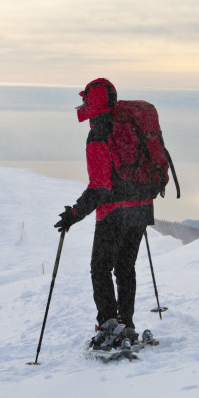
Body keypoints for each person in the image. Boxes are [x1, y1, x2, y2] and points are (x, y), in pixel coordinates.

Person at [54, 78, 153, 342]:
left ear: (93, 103)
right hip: (142, 206)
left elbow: (100, 187)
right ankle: (127, 325)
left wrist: (74, 214)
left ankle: (109, 325)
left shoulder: (99, 132)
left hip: (114, 212)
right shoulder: (130, 125)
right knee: (125, 267)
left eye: (85, 101)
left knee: (100, 267)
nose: (82, 105)